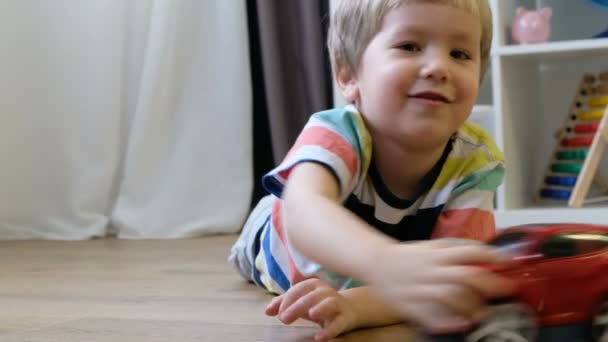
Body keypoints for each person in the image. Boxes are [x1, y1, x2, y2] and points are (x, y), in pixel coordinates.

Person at [229, 0, 514, 340]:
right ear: (349, 75)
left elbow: (440, 285)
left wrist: (356, 306)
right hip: (277, 236)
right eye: (410, 46)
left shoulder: (476, 162)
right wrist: (383, 261)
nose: (439, 67)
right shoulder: (336, 133)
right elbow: (304, 212)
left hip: (382, 258)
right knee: (279, 213)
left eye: (460, 54)